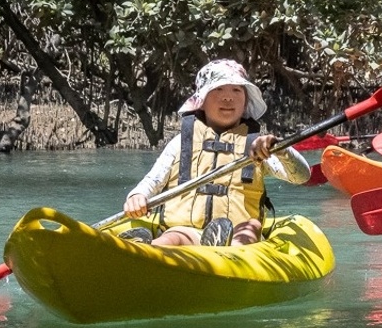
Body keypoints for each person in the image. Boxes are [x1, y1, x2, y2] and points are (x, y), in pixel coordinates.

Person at [121, 59, 311, 247]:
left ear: (245, 102)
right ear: (201, 101)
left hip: (238, 235)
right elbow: (153, 181)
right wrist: (137, 196)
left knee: (251, 226)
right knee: (173, 236)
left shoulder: (258, 145)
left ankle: (225, 247)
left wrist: (281, 149)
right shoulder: (180, 143)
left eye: (236, 90)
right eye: (218, 89)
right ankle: (148, 247)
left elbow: (302, 176)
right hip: (189, 231)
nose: (227, 97)